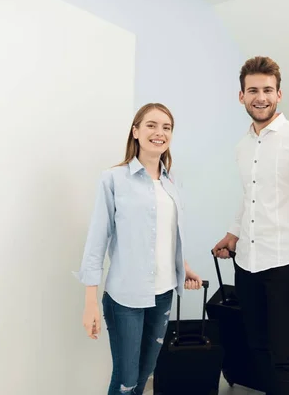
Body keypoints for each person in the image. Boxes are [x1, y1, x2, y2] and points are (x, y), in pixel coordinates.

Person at [212, 56, 289, 395]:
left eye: (268, 90)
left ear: (279, 94)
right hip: (247, 263)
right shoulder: (242, 146)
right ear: (242, 96)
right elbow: (248, 197)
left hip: (287, 265)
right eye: (253, 90)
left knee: (284, 356)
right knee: (258, 349)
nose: (260, 97)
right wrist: (233, 234)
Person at [73, 103, 203, 395]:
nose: (159, 133)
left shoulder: (171, 183)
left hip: (163, 293)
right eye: (151, 125)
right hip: (125, 298)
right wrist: (90, 301)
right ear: (136, 132)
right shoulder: (113, 179)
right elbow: (96, 241)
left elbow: (166, 236)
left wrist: (183, 266)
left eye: (166, 127)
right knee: (126, 380)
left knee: (145, 375)